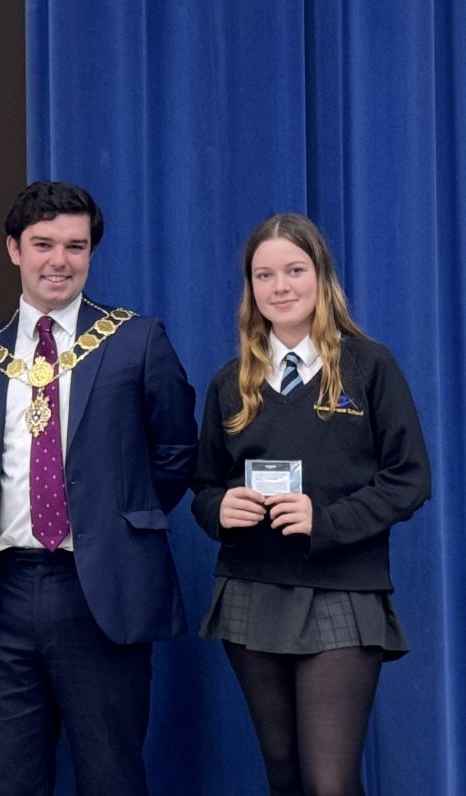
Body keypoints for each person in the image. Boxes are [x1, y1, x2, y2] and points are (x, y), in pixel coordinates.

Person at [0, 180, 198, 795]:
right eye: (44, 244)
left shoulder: (137, 340)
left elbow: (175, 452)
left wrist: (114, 522)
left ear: (90, 254)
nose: (59, 260)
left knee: (111, 777)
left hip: (101, 590)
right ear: (14, 250)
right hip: (2, 596)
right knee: (10, 783)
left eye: (76, 246)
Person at [191, 212, 431, 795]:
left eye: (295, 270)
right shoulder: (231, 382)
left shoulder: (370, 367)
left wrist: (326, 522)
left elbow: (409, 478)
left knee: (329, 782)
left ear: (321, 277)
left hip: (343, 591)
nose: (281, 287)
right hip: (252, 590)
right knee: (286, 776)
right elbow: (204, 487)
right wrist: (218, 510)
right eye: (264, 275)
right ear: (251, 288)